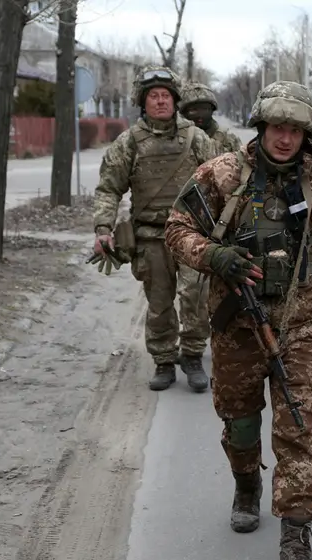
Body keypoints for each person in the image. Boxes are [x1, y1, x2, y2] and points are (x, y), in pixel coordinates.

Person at [164, 81, 312, 560]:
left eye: (295, 130)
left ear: (307, 134)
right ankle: (246, 484)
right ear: (262, 126)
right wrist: (214, 255)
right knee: (241, 421)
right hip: (236, 326)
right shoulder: (223, 173)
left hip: (297, 323)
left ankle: (296, 535)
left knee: (298, 426)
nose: (285, 138)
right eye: (278, 127)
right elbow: (176, 228)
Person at [92, 65, 217, 392]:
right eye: (153, 97)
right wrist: (103, 228)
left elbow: (222, 181)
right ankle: (164, 360)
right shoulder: (129, 142)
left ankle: (192, 356)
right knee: (159, 302)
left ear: (175, 100)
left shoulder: (196, 138)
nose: (160, 102)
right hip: (150, 236)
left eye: (165, 96)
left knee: (196, 296)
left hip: (193, 233)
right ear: (142, 102)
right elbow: (109, 187)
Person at [178, 81, 244, 153]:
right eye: (193, 110)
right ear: (183, 112)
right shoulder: (177, 139)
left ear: (212, 110)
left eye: (205, 109)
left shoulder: (228, 140)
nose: (200, 115)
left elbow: (242, 161)